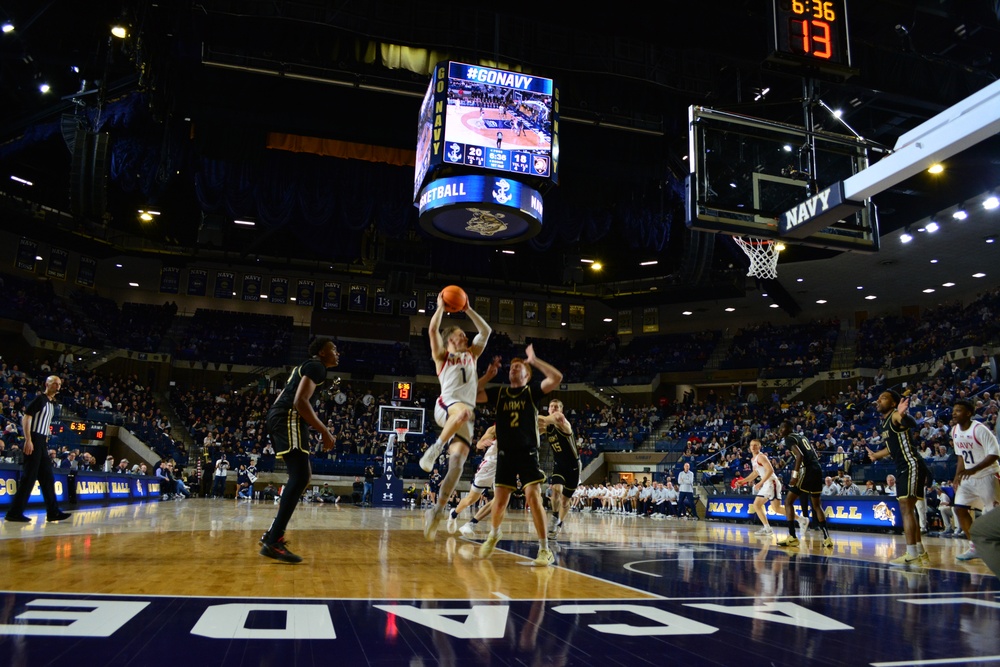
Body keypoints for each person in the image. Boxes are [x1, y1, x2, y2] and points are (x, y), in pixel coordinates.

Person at [477, 347, 563, 566]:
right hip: (505, 454)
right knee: (499, 502)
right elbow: (472, 395)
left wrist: (534, 360)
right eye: (512, 366)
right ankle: (494, 533)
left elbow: (556, 377)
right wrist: (487, 376)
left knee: (533, 498)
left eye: (520, 366)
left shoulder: (531, 392)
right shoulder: (499, 393)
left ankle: (544, 549)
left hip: (527, 453)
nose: (514, 368)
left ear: (527, 375)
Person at [258, 337, 339, 563]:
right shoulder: (317, 367)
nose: (337, 353)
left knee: (302, 476)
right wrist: (324, 431)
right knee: (301, 476)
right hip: (288, 417)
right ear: (322, 352)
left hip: (283, 417)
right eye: (333, 349)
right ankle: (274, 540)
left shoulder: (310, 366)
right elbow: (300, 402)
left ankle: (272, 534)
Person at [420, 291, 491, 540]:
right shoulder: (443, 357)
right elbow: (432, 332)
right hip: (446, 407)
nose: (465, 335)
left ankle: (437, 510)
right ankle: (435, 447)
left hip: (463, 417)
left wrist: (468, 309)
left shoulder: (472, 355)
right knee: (462, 411)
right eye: (460, 333)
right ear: (450, 339)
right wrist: (440, 307)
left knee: (458, 463)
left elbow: (486, 331)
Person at [866, 390, 931, 566]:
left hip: (910, 464)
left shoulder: (895, 415)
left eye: (884, 398)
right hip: (903, 466)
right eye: (878, 398)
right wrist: (876, 456)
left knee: (906, 508)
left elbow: (909, 423)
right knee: (908, 509)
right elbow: (890, 448)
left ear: (894, 404)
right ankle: (919, 552)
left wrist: (904, 415)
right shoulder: (885, 423)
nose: (878, 400)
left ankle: (912, 553)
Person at [3, 375, 71, 523]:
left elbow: (44, 424)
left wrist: (44, 441)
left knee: (47, 477)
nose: (57, 386)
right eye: (54, 383)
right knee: (29, 478)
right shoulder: (40, 399)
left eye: (59, 384)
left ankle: (53, 512)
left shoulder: (52, 404)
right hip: (33, 439)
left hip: (41, 443)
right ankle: (14, 513)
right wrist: (28, 439)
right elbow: (26, 417)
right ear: (47, 384)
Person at [949, 399, 1000, 561]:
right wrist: (957, 476)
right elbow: (960, 456)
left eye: (958, 410)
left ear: (969, 413)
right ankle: (976, 547)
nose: (953, 413)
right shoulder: (955, 430)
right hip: (968, 477)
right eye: (953, 410)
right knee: (959, 509)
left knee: (992, 516)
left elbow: (994, 454)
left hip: (988, 475)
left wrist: (974, 469)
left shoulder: (980, 430)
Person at [777, 420, 833, 548]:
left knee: (788, 502)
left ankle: (792, 537)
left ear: (789, 429)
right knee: (817, 505)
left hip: (806, 469)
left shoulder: (789, 438)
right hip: (817, 469)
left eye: (782, 428)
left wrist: (795, 475)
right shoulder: (802, 437)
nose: (780, 431)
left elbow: (799, 455)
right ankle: (827, 538)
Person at [540, 398, 580, 537]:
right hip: (559, 464)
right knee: (556, 489)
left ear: (561, 410)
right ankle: (555, 515)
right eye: (551, 406)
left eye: (556, 407)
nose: (553, 409)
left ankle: (560, 524)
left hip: (573, 466)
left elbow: (553, 418)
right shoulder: (547, 426)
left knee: (565, 500)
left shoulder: (563, 421)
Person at [448, 424, 498, 536]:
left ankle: (471, 524)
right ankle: (454, 514)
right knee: (471, 499)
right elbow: (479, 444)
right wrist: (483, 443)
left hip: (504, 467)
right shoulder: (494, 428)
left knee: (499, 499)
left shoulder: (519, 425)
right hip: (490, 465)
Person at [736, 439, 781, 536]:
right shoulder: (753, 459)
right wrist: (743, 481)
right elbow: (755, 473)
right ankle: (767, 528)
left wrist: (760, 482)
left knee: (772, 508)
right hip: (767, 483)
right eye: (751, 445)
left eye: (755, 445)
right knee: (762, 506)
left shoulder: (761, 457)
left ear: (759, 447)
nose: (753, 447)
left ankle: (800, 519)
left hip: (771, 482)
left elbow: (770, 470)